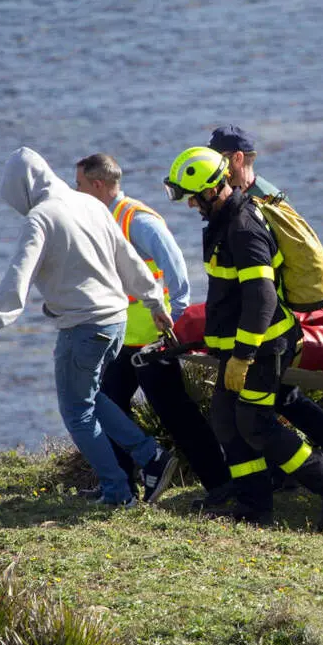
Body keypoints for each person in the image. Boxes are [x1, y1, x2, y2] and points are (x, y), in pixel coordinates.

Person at [163, 146, 323, 528]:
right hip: (241, 347)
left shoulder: (243, 228)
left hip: (263, 347)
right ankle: (254, 505)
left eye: (193, 198)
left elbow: (262, 297)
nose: (190, 206)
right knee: (226, 419)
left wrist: (243, 356)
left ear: (211, 190)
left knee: (254, 422)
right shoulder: (223, 221)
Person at [0, 147, 175, 507]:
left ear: (24, 187)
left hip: (84, 327)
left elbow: (18, 278)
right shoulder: (90, 204)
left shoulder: (41, 217)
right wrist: (155, 302)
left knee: (76, 411)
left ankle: (117, 491)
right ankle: (152, 457)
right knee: (91, 397)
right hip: (116, 321)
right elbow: (128, 259)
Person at [74, 153, 233, 510]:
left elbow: (176, 268)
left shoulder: (137, 220)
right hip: (122, 338)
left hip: (152, 340)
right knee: (110, 405)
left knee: (176, 413)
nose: (75, 190)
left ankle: (221, 486)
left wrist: (174, 321)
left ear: (97, 185)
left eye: (80, 184)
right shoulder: (102, 217)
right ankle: (120, 486)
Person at [206, 125, 323, 473]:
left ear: (237, 159)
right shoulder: (258, 196)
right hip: (272, 321)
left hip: (272, 324)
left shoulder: (256, 203)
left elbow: (266, 277)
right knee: (285, 398)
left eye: (219, 161)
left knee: (265, 408)